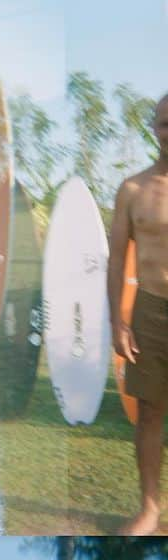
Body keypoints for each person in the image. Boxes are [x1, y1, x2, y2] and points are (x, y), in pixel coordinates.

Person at [110, 93, 168, 536]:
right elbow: (115, 260)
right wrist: (119, 320)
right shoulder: (132, 189)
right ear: (154, 128)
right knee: (150, 411)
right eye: (164, 123)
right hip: (151, 310)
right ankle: (150, 508)